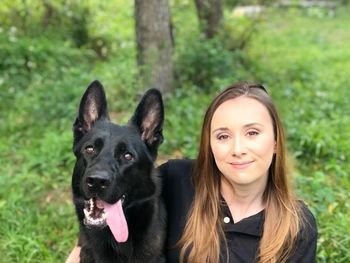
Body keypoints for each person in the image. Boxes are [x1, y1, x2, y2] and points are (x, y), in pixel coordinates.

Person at [67, 82, 317, 263]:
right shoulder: (177, 180)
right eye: (223, 136)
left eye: (252, 133)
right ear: (210, 145)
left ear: (275, 142)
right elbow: (104, 212)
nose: (238, 149)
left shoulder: (297, 225)